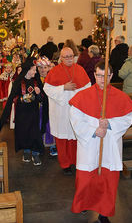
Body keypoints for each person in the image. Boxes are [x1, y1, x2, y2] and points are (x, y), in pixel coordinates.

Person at [69, 61, 132, 222]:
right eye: (99, 75)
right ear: (94, 75)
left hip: (110, 147)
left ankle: (103, 213)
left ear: (111, 76)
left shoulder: (121, 97)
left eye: (105, 76)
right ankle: (84, 203)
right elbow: (75, 118)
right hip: (89, 145)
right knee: (86, 178)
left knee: (108, 181)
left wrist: (110, 124)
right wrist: (94, 130)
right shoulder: (83, 96)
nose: (101, 79)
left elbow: (127, 119)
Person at [43, 47, 91, 175]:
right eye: (66, 57)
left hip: (76, 110)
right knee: (62, 139)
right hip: (61, 111)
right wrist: (63, 88)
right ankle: (64, 164)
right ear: (61, 58)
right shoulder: (54, 71)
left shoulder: (80, 69)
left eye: (71, 56)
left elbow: (87, 87)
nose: (69, 59)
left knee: (75, 138)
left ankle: (75, 162)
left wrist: (75, 93)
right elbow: (47, 89)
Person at [0, 56, 48, 166]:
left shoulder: (36, 81)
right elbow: (13, 97)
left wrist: (39, 93)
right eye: (33, 70)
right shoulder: (19, 81)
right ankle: (26, 151)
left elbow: (42, 99)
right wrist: (22, 98)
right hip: (22, 113)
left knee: (34, 132)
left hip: (33, 112)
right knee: (23, 132)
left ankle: (35, 153)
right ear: (28, 69)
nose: (35, 72)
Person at [36, 56, 57, 156]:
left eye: (45, 67)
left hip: (51, 107)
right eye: (40, 68)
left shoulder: (53, 79)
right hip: (39, 107)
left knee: (51, 125)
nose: (43, 70)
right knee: (39, 125)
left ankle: (53, 146)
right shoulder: (35, 79)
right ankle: (40, 145)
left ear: (48, 68)